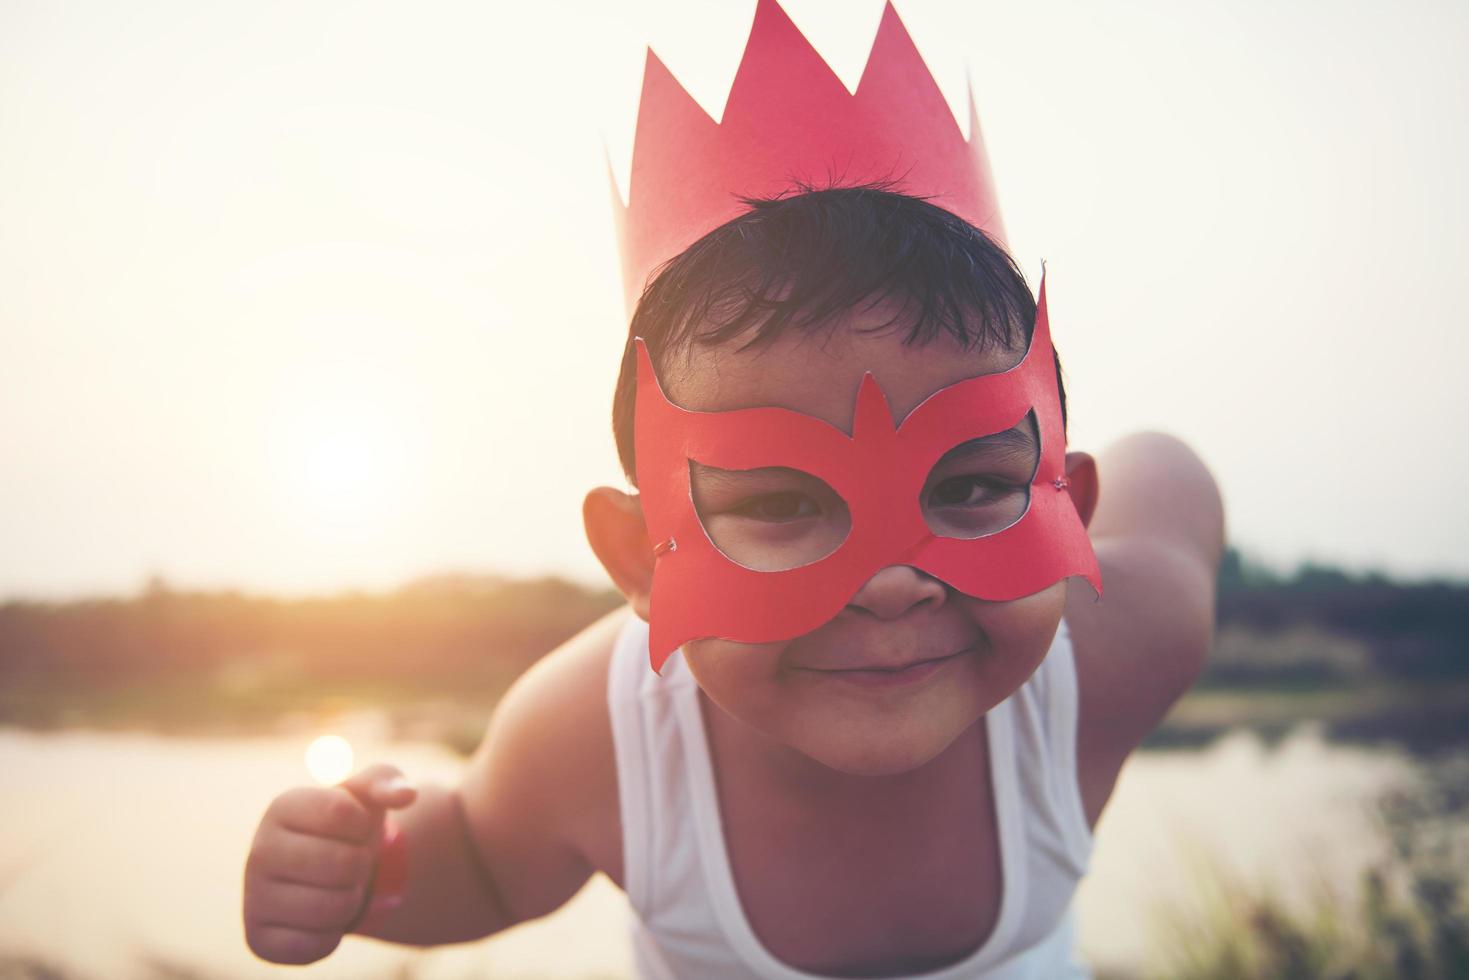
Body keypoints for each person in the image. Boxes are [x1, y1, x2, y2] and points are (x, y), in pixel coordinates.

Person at [242, 3, 1223, 977]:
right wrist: (369, 874)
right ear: (637, 557)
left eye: (969, 484)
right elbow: (490, 865)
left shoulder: (1106, 654)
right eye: (784, 503)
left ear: (1067, 510)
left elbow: (1167, 471)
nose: (891, 580)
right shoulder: (593, 731)